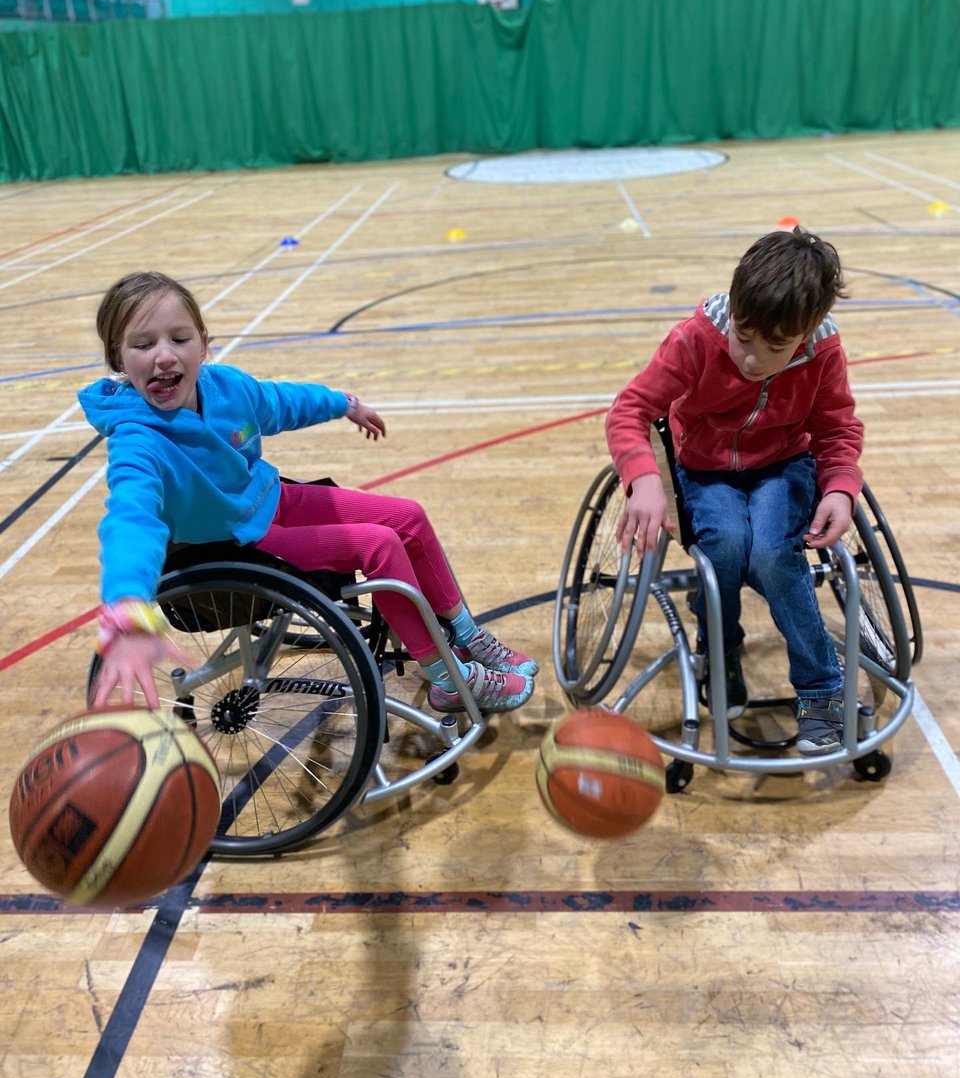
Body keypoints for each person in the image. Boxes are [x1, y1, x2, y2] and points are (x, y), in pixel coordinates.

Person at [80, 271, 537, 715]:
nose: (164, 356)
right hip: (237, 544)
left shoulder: (226, 387)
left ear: (203, 343)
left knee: (409, 516)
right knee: (379, 544)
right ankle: (447, 678)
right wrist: (127, 606)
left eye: (179, 339)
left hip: (274, 500)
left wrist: (344, 403)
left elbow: (282, 402)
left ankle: (465, 635)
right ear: (119, 359)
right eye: (143, 345)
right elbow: (130, 519)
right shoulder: (137, 440)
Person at [606, 228, 863, 754]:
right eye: (744, 338)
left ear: (807, 331)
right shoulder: (696, 337)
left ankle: (821, 691)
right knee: (722, 549)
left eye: (774, 348)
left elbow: (836, 429)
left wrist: (840, 488)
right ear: (736, 307)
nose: (751, 359)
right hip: (703, 468)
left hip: (783, 464)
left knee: (772, 554)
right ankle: (721, 652)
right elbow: (629, 410)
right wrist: (646, 479)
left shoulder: (823, 350)